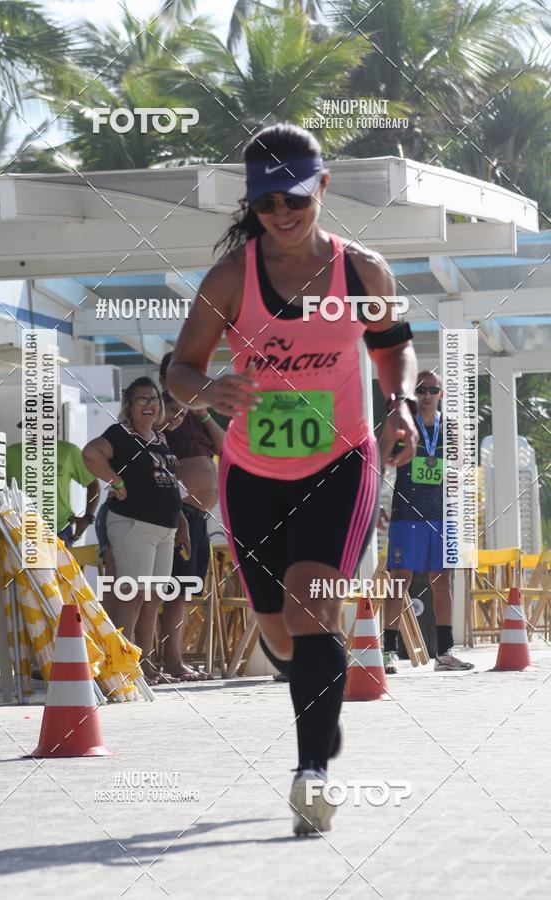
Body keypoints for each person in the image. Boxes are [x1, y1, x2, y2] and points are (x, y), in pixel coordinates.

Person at [166, 122, 419, 835]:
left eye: (295, 197)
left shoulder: (362, 270)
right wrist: (204, 390)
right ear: (253, 204)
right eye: (267, 201)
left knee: (315, 608)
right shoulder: (230, 279)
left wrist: (397, 402)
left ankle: (313, 775)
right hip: (251, 470)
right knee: (281, 633)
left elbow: (392, 347)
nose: (282, 212)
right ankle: (311, 682)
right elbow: (178, 370)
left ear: (323, 188)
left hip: (343, 462)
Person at [82, 377, 190, 685]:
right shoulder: (120, 433)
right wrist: (116, 482)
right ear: (129, 404)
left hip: (165, 529)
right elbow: (91, 453)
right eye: (141, 399)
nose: (149, 405)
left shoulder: (158, 437)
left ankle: (142, 660)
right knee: (132, 595)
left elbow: (167, 479)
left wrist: (181, 521)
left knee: (153, 597)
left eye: (153, 399)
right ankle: (123, 664)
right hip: (133, 525)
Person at [379, 369, 475, 674]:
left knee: (442, 581)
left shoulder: (451, 428)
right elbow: (379, 464)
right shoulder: (401, 425)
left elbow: (461, 467)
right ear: (414, 393)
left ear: (441, 394)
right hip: (406, 514)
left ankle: (444, 652)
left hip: (439, 514)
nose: (427, 395)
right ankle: (389, 651)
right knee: (399, 580)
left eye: (433, 390)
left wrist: (456, 478)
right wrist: (372, 503)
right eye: (421, 390)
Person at [159, 379, 225, 680]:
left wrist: (205, 414)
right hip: (177, 513)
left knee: (183, 591)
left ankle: (175, 659)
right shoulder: (161, 417)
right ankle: (167, 661)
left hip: (198, 516)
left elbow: (226, 449)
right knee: (165, 590)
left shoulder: (196, 418)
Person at [6, 421, 99, 546]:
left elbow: (93, 485)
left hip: (60, 532)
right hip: (21, 533)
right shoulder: (10, 454)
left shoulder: (69, 451)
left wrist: (88, 517)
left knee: (62, 567)